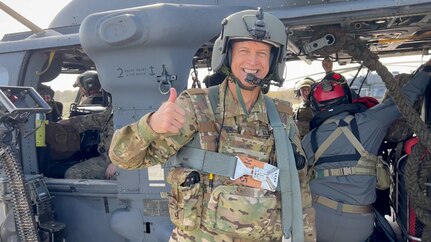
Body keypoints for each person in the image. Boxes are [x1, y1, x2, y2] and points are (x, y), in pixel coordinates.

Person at [109, 9, 315, 242]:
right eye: (244, 51)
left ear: (273, 61)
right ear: (226, 55)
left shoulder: (281, 116)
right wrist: (151, 126)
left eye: (262, 53)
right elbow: (123, 158)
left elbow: (299, 191)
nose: (253, 61)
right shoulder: (197, 107)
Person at [302, 59, 431, 242]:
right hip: (357, 226)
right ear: (347, 97)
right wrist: (427, 71)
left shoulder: (308, 140)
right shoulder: (370, 122)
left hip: (317, 223)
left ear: (315, 108)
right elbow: (405, 97)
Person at [61, 71, 116, 180]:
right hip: (109, 157)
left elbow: (133, 136)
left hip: (119, 160)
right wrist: (70, 122)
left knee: (73, 174)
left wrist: (117, 163)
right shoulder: (116, 104)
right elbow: (100, 119)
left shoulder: (128, 106)